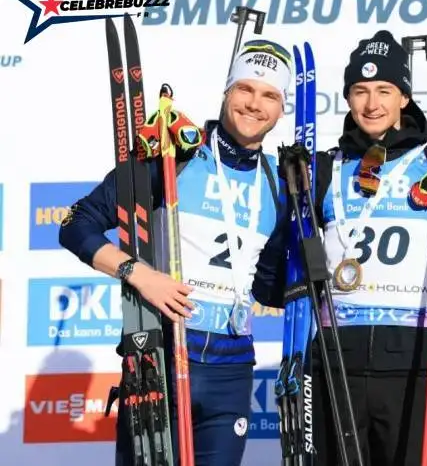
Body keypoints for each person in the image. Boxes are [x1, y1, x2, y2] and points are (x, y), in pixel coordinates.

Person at [58, 39, 292, 466]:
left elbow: (270, 287)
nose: (255, 104)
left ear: (281, 109)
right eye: (245, 89)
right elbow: (76, 223)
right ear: (226, 92)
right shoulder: (173, 156)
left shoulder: (277, 184)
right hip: (162, 354)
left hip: (232, 370)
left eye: (270, 95)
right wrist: (139, 274)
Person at [307, 30, 427, 466]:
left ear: (404, 96)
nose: (372, 103)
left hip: (415, 360)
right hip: (337, 359)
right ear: (346, 98)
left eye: (384, 90)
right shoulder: (324, 168)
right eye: (359, 91)